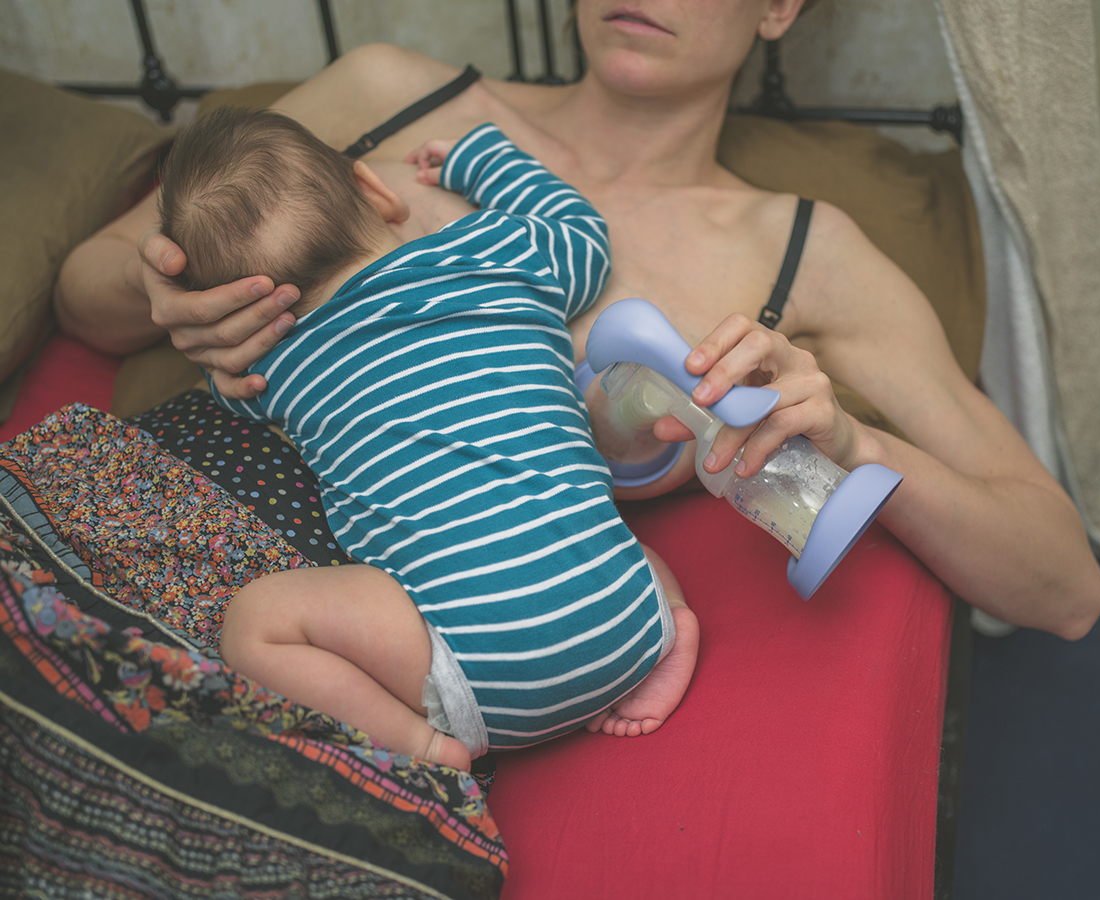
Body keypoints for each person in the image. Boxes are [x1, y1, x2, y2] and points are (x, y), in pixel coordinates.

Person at [53, 0, 1100, 639]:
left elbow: (1063, 585)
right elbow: (86, 291)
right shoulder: (390, 96)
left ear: (779, 6)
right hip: (199, 517)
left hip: (438, 646)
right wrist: (165, 297)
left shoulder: (806, 252)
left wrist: (856, 443)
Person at [156, 106, 700, 772]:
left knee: (254, 623)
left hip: (479, 683)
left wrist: (223, 364)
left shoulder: (273, 368)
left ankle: (421, 746)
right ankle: (671, 623)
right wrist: (479, 157)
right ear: (377, 193)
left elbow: (227, 400)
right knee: (587, 527)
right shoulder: (499, 253)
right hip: (620, 617)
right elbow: (583, 233)